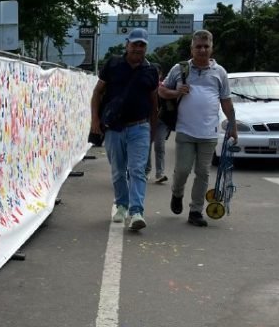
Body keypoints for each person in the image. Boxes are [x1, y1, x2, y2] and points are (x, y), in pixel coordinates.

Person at [159, 29, 237, 227]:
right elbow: (162, 90)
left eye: (206, 46)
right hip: (185, 130)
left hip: (209, 133)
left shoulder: (220, 72)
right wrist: (175, 91)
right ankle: (177, 193)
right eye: (198, 47)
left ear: (212, 48)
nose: (202, 50)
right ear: (191, 49)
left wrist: (233, 126)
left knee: (203, 172)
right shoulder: (180, 69)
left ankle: (195, 211)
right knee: (183, 170)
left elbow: (226, 101)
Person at [90, 27, 159, 231]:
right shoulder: (113, 64)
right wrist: (95, 121)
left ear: (146, 47)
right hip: (114, 128)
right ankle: (121, 204)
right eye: (134, 44)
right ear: (127, 44)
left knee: (137, 170)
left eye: (142, 45)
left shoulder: (151, 70)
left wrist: (152, 133)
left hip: (140, 127)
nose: (138, 48)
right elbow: (97, 92)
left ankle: (136, 211)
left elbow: (154, 104)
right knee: (118, 171)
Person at [145, 63, 170, 183]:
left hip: (161, 122)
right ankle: (146, 171)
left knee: (159, 146)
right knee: (146, 147)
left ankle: (160, 173)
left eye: (157, 73)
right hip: (146, 121)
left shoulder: (164, 88)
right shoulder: (143, 86)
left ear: (160, 75)